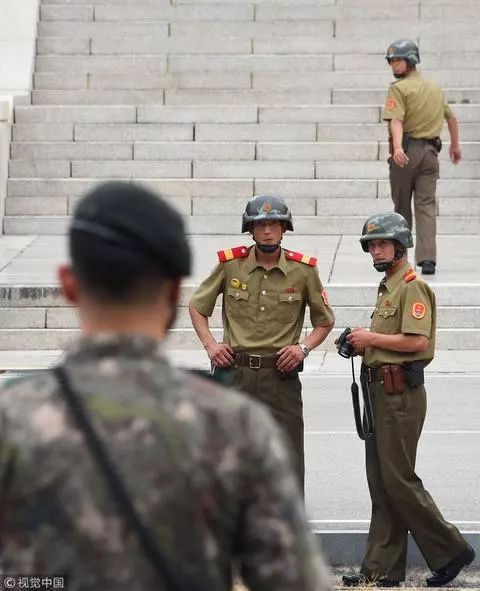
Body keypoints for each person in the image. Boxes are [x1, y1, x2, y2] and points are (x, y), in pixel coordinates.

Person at [0, 182, 331, 591]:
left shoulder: (12, 415)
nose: (268, 230)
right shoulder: (232, 425)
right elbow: (291, 579)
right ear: (174, 290)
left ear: (69, 285)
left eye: (275, 224)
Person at [341, 212, 475, 588]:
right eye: (372, 246)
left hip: (400, 395)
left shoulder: (411, 286)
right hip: (380, 391)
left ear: (400, 246)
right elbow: (388, 342)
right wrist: (358, 345)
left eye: (382, 244)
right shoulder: (389, 287)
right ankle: (381, 570)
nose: (375, 251)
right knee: (382, 482)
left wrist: (371, 339)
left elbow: (418, 343)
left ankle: (451, 550)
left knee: (398, 480)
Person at [189, 194, 335, 490]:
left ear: (284, 229)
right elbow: (196, 306)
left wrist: (303, 348)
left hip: (280, 375)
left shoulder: (303, 271)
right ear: (250, 230)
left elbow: (325, 320)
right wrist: (210, 345)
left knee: (288, 455)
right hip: (235, 372)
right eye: (260, 225)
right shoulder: (231, 266)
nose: (267, 231)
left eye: (274, 225)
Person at [384, 39, 462, 275]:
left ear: (410, 60)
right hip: (430, 153)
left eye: (396, 60)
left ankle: (400, 257)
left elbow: (396, 121)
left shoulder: (399, 89)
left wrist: (397, 148)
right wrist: (455, 146)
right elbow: (452, 118)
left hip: (407, 152)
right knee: (426, 205)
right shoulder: (434, 88)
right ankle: (428, 259)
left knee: (402, 206)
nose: (393, 66)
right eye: (391, 61)